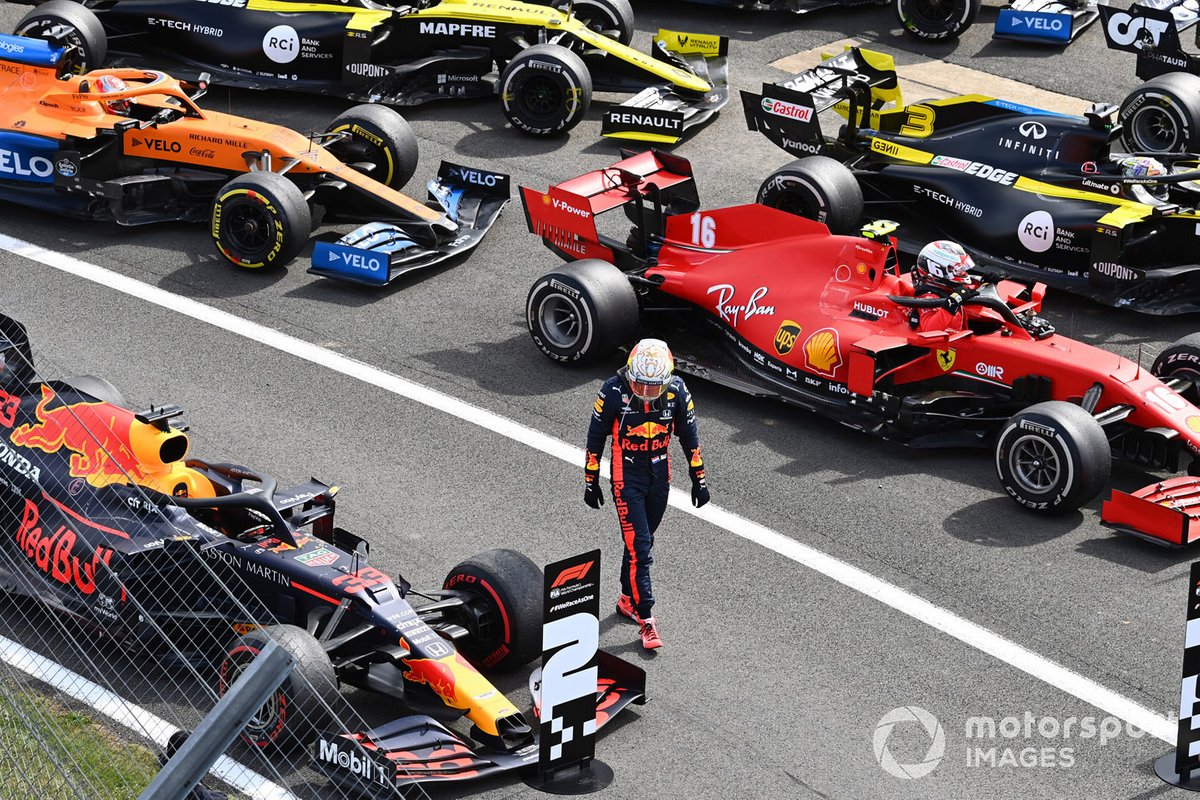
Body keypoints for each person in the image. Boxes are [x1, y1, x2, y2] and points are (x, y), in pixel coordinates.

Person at [583, 338, 709, 650]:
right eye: (641, 384)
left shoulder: (678, 390)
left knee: (642, 543)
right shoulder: (612, 390)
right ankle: (647, 618)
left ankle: (627, 599)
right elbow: (595, 437)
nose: (647, 393)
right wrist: (590, 479)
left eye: (655, 387)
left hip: (660, 475)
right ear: (630, 375)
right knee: (640, 547)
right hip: (628, 477)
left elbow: (690, 437)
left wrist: (699, 480)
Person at [910, 240, 978, 332]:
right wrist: (952, 303)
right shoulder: (928, 298)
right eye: (958, 270)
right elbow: (929, 329)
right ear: (938, 271)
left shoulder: (947, 287)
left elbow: (968, 290)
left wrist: (983, 282)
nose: (963, 273)